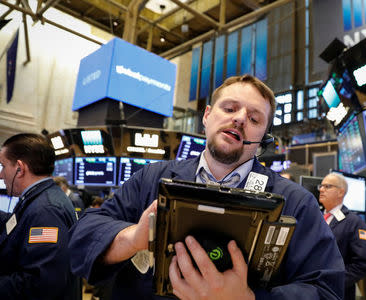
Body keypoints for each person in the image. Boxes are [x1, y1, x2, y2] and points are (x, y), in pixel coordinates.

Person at [69, 75, 345, 299]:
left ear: (263, 139)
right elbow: (83, 236)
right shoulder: (152, 179)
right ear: (207, 116)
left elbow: (326, 289)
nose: (239, 119)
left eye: (254, 119)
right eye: (229, 108)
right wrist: (132, 238)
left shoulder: (295, 202)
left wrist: (248, 299)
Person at [0, 133, 81, 299]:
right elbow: (18, 225)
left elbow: (40, 283)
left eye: (3, 166)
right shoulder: (38, 198)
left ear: (20, 168)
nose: (1, 175)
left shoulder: (47, 210)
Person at [318, 173, 366, 300]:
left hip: (337, 293)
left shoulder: (355, 222)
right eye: (321, 186)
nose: (321, 189)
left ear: (340, 192)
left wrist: (334, 282)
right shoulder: (316, 217)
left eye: (327, 186)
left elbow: (363, 263)